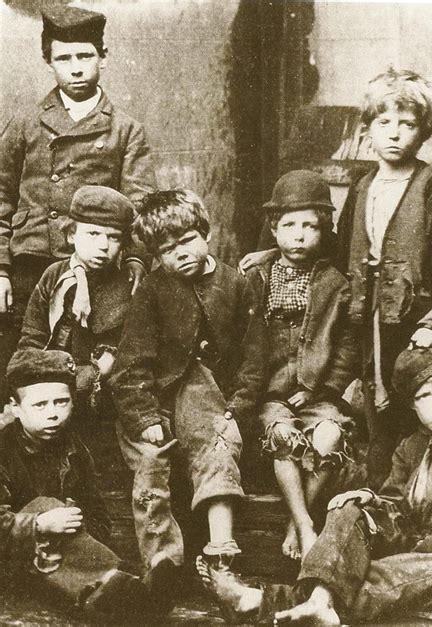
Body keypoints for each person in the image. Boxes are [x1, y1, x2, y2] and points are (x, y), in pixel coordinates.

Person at [196, 342, 432, 625]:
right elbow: (394, 506)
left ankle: (257, 601)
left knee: (383, 579)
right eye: (424, 397)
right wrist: (368, 500)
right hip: (411, 541)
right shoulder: (412, 446)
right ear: (413, 405)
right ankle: (319, 603)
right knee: (348, 507)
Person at [110, 189, 267, 612]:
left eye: (185, 242)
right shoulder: (153, 290)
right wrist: (144, 417)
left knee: (216, 446)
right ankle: (161, 564)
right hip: (156, 398)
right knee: (150, 459)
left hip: (212, 396)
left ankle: (221, 562)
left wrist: (238, 410)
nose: (178, 255)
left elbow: (255, 359)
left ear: (206, 233)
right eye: (166, 250)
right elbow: (132, 362)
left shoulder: (237, 283)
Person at [0, 5, 156, 406]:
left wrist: (136, 259)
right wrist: (0, 265)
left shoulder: (126, 130)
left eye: (85, 56)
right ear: (48, 61)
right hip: (30, 262)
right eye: (63, 58)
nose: (75, 68)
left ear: (103, 56)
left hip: (101, 266)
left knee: (91, 365)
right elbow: (0, 196)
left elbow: (139, 204)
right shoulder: (24, 123)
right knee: (26, 363)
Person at [334, 68, 432, 488]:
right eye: (384, 122)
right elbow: (339, 252)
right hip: (371, 321)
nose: (394, 134)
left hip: (420, 327)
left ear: (424, 132)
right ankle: (382, 506)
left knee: (425, 414)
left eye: (407, 124)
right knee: (379, 417)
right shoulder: (363, 186)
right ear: (367, 131)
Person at [246, 170, 358, 561]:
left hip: (317, 394)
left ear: (324, 231)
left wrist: (315, 390)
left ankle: (298, 521)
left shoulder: (334, 283)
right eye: (289, 225)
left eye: (310, 226)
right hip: (270, 393)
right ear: (273, 229)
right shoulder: (255, 276)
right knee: (283, 438)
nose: (299, 235)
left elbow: (346, 350)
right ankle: (305, 523)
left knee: (328, 437)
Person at [1, 348, 150, 621]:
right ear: (15, 409)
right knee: (45, 505)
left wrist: (72, 523)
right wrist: (39, 525)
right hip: (8, 562)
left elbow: (101, 521)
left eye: (61, 402)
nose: (53, 414)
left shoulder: (74, 451)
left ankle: (118, 595)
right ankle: (124, 588)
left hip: (56, 560)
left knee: (58, 512)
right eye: (40, 405)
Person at [17, 185, 135, 408]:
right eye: (93, 234)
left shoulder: (126, 283)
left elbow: (121, 353)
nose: (102, 246)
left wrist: (92, 374)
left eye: (114, 238)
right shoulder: (54, 275)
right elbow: (32, 337)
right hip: (51, 381)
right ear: (71, 234)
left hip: (101, 392)